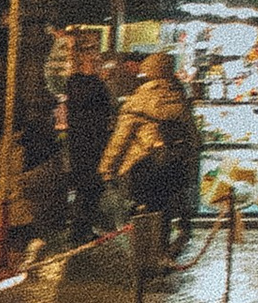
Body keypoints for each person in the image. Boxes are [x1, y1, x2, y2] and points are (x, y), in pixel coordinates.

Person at [103, 50, 197, 265]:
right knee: (163, 209)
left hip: (146, 163)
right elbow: (193, 136)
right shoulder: (179, 97)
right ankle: (161, 252)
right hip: (174, 164)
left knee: (144, 209)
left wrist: (107, 168)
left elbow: (121, 138)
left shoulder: (139, 99)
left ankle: (145, 258)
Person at [59, 48, 115, 246]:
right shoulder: (84, 84)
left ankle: (82, 227)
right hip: (86, 141)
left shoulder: (81, 84)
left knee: (91, 187)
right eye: (93, 60)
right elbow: (100, 104)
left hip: (89, 140)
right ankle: (79, 229)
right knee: (88, 186)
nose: (97, 63)